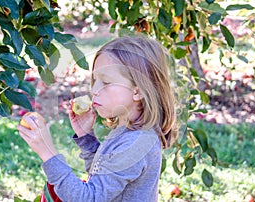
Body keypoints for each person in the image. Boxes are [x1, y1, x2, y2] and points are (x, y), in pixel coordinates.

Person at [17, 35, 179, 202]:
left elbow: (88, 198)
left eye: (106, 82)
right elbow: (102, 176)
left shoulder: (136, 144)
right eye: (95, 80)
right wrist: (86, 137)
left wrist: (48, 152)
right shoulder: (129, 131)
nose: (94, 89)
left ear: (137, 91)